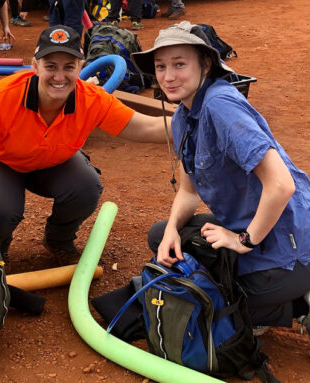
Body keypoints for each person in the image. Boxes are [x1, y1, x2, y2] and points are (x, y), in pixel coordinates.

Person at [0, 25, 171, 268]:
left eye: (69, 67)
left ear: (80, 68)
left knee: (86, 186)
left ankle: (58, 240)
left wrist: (197, 122)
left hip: (50, 161)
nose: (59, 77)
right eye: (51, 67)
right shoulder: (3, 97)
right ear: (35, 67)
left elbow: (145, 127)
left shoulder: (91, 99)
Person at [131, 21, 310, 335]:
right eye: (161, 66)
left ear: (206, 63)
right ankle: (269, 297)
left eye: (179, 64)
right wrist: (173, 229)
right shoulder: (184, 116)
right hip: (252, 227)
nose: (168, 76)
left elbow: (282, 185)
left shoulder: (220, 106)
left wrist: (241, 241)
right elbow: (188, 192)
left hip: (289, 244)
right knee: (163, 238)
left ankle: (299, 303)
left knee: (208, 300)